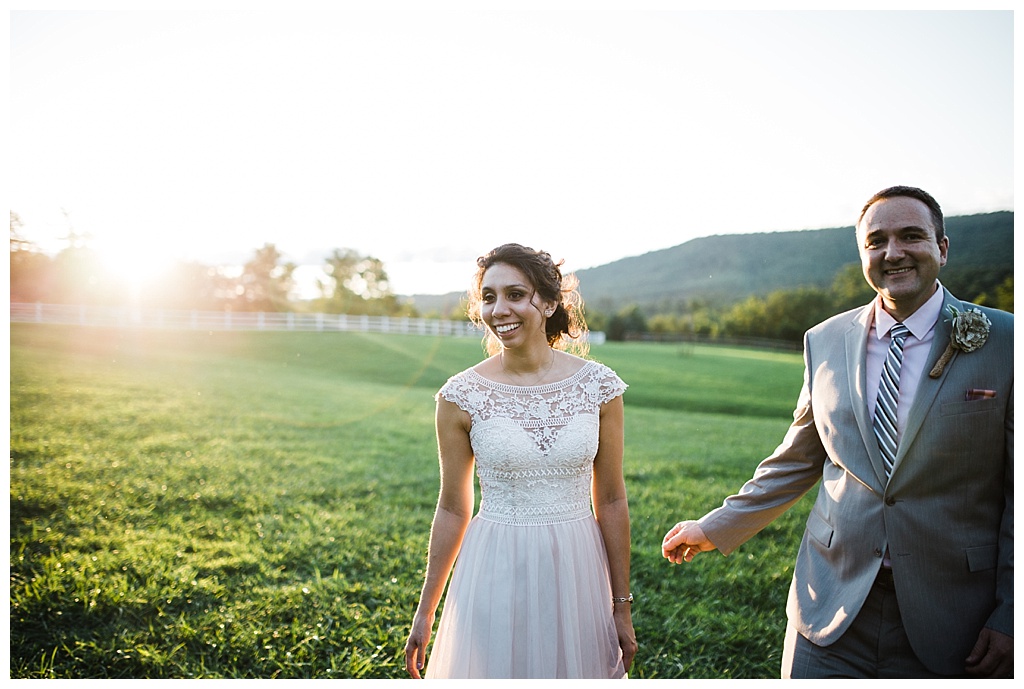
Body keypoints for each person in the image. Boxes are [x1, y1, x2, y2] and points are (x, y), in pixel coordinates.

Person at [662, 186, 1013, 678]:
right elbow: (799, 458)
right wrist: (715, 526)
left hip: (957, 616)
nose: (893, 253)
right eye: (877, 240)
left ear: (943, 248)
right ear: (862, 253)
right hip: (829, 603)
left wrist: (1010, 614)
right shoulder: (824, 339)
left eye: (912, 236)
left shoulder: (1005, 342)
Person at [405, 243, 637, 679]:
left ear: (549, 303)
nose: (499, 309)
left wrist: (620, 606)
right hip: (494, 563)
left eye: (515, 294)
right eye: (488, 297)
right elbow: (453, 508)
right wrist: (426, 611)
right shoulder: (459, 396)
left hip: (577, 566)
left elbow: (611, 500)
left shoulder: (600, 387)